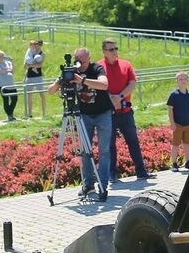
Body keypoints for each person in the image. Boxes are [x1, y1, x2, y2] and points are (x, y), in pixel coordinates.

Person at [48, 47, 112, 202]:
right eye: (78, 61)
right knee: (85, 151)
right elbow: (50, 91)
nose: (81, 64)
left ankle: (102, 185)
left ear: (89, 58)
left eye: (83, 61)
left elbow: (104, 85)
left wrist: (82, 80)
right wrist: (61, 79)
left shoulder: (96, 68)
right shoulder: (72, 70)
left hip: (103, 113)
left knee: (103, 151)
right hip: (84, 115)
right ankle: (88, 185)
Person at [101, 38, 151, 181]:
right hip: (107, 113)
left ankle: (141, 171)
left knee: (133, 141)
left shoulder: (126, 64)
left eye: (116, 48)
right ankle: (112, 175)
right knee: (110, 145)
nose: (115, 51)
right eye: (111, 49)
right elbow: (98, 86)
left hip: (126, 112)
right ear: (104, 51)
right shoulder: (99, 66)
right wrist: (111, 99)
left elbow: (132, 83)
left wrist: (120, 97)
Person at [167, 71, 189, 172]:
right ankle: (174, 164)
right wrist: (172, 123)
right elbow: (170, 109)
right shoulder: (173, 95)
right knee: (175, 144)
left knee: (187, 144)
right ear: (177, 81)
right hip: (178, 124)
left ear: (187, 80)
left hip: (188, 123)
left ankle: (188, 162)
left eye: (184, 79)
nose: (183, 81)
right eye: (180, 79)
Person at [23, 39, 47, 119]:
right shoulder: (29, 52)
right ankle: (30, 114)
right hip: (29, 76)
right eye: (36, 44)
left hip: (38, 77)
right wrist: (29, 65)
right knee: (29, 95)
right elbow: (25, 65)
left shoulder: (42, 54)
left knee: (42, 94)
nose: (37, 45)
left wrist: (30, 65)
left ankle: (44, 113)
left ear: (41, 45)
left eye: (39, 44)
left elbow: (39, 65)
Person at [0, 51, 19, 121]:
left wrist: (12, 62)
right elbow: (0, 71)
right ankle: (9, 115)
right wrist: (8, 70)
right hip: (2, 85)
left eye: (2, 55)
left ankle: (10, 113)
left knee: (15, 99)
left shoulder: (9, 63)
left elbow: (13, 70)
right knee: (6, 100)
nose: (1, 57)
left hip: (11, 85)